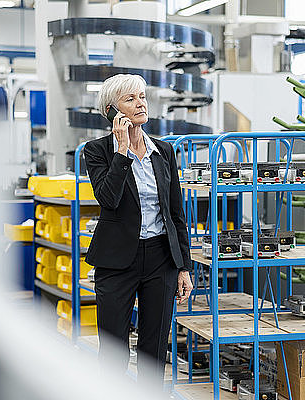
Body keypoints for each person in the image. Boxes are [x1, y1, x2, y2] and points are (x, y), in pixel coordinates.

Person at [83, 74, 193, 385]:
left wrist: (182, 267)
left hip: (160, 258)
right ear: (111, 111)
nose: (140, 103)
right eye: (130, 99)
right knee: (114, 348)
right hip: (116, 261)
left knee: (154, 347)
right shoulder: (97, 151)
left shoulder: (164, 152)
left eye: (142, 96)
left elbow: (176, 213)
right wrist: (121, 151)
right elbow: (108, 199)